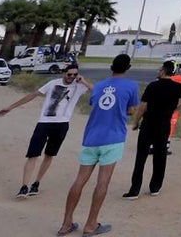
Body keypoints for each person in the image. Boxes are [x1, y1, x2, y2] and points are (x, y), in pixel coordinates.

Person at [56, 53, 140, 237]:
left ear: (111, 67)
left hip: (92, 137)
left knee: (80, 180)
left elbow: (96, 103)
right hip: (113, 138)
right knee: (103, 182)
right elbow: (131, 109)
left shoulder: (100, 86)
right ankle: (91, 224)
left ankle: (66, 223)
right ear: (128, 68)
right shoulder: (131, 86)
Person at [0, 63, 92, 199]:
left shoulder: (79, 86)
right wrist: (10, 107)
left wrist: (83, 81)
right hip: (44, 123)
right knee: (33, 154)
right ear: (63, 73)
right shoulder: (53, 83)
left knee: (49, 155)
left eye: (75, 74)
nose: (71, 77)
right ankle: (24, 187)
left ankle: (36, 183)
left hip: (62, 125)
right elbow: (33, 95)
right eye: (69, 74)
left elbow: (96, 90)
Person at [123, 60, 181, 199]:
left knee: (141, 156)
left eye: (160, 69)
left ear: (163, 70)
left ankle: (135, 189)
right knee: (160, 156)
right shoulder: (177, 86)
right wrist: (176, 109)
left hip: (149, 123)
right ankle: (155, 187)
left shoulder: (153, 85)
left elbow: (143, 106)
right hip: (164, 125)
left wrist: (136, 122)